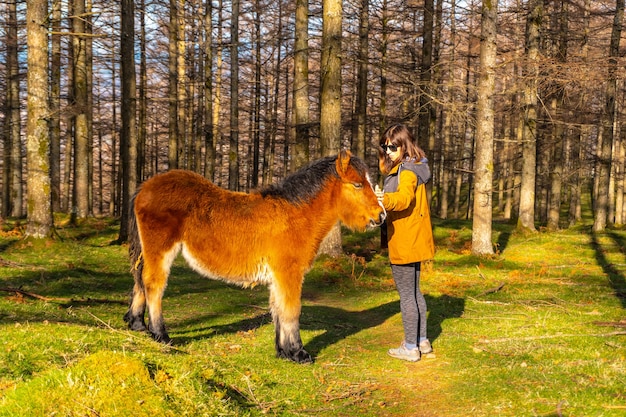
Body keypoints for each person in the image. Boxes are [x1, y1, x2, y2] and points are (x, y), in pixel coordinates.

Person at [375, 123, 435, 362]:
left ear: (404, 145)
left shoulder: (408, 171)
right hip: (414, 238)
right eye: (384, 146)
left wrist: (383, 199)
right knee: (414, 292)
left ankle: (410, 347)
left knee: (407, 296)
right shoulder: (413, 165)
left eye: (392, 146)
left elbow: (404, 199)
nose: (387, 151)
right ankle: (422, 341)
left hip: (405, 240)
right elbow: (386, 167)